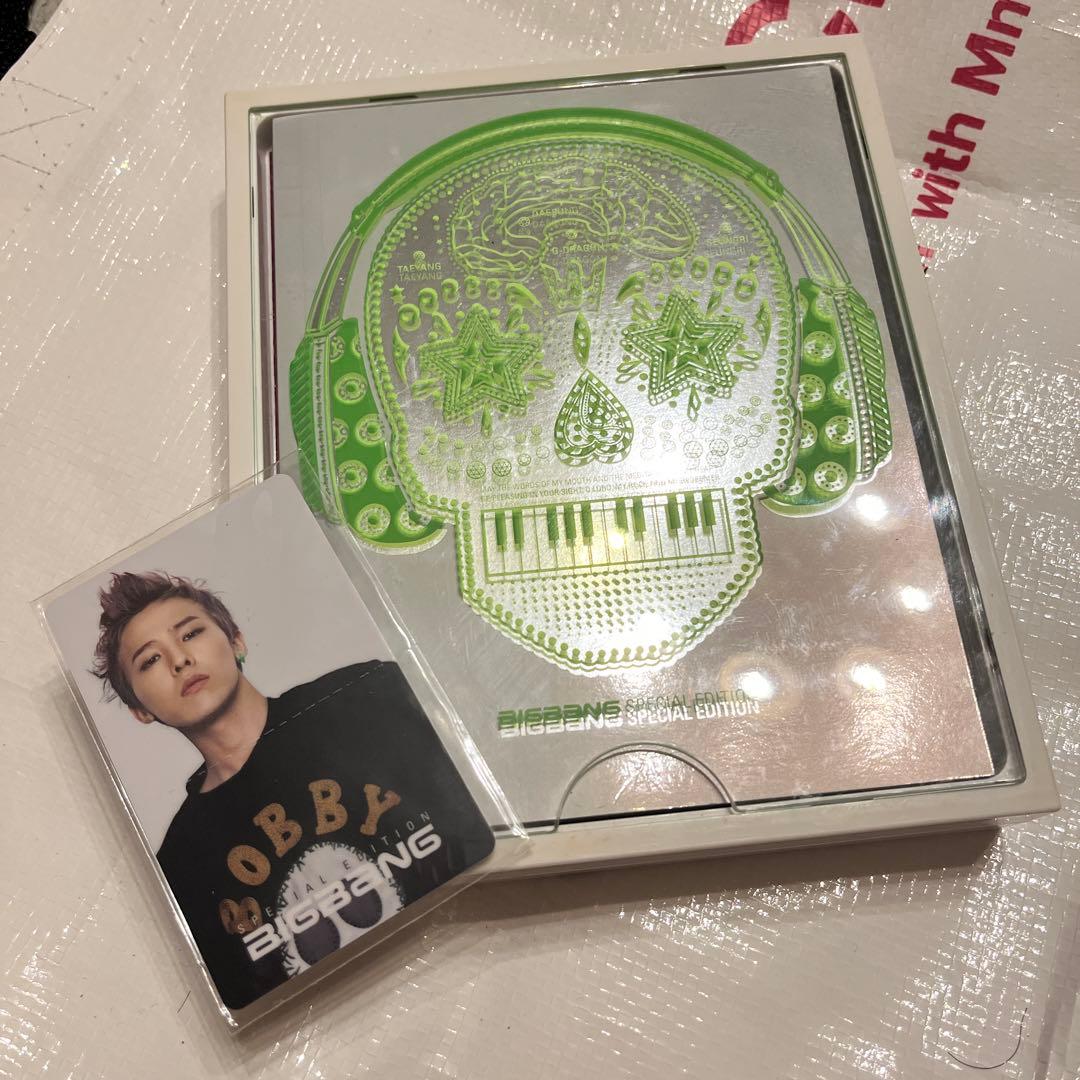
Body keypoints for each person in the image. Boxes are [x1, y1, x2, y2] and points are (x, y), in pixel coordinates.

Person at [92, 571, 493, 1011]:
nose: (180, 660)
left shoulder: (366, 695)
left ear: (236, 641)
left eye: (190, 634)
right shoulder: (182, 861)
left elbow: (483, 824)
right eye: (150, 660)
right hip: (338, 1012)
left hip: (477, 941)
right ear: (139, 709)